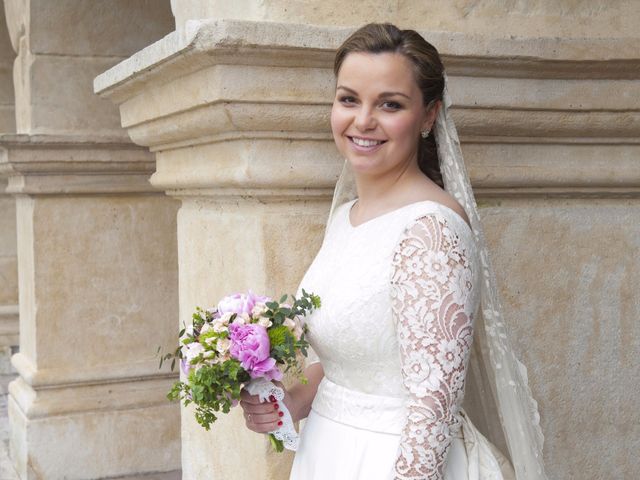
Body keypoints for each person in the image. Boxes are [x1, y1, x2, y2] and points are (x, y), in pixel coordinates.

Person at [240, 23, 547, 479]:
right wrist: (291, 399)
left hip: (396, 461)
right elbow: (350, 361)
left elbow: (432, 404)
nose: (363, 120)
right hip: (330, 452)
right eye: (349, 99)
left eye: (390, 104)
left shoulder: (430, 231)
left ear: (428, 116)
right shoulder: (347, 218)